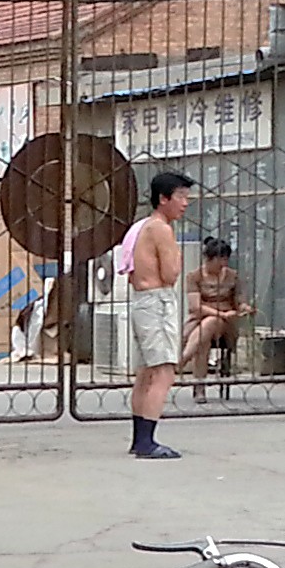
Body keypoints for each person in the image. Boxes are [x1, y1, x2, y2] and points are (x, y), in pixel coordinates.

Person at [116, 170, 195, 459]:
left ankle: (140, 438)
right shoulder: (161, 229)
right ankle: (147, 441)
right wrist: (176, 254)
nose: (185, 203)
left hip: (142, 301)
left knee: (146, 373)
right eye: (181, 197)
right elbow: (171, 274)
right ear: (164, 199)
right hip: (157, 301)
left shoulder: (142, 227)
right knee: (163, 371)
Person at [179, 236, 244, 393]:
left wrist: (245, 308)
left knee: (212, 322)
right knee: (205, 339)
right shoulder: (194, 277)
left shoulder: (233, 276)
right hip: (199, 320)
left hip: (226, 324)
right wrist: (219, 313)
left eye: (225, 259)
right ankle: (199, 386)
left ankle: (183, 359)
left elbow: (239, 301)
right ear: (209, 258)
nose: (223, 264)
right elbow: (196, 307)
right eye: (219, 259)